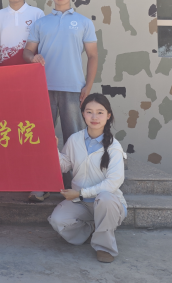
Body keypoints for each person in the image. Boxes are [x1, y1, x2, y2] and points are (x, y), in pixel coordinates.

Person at [23, 0, 98, 203]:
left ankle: (75, 185)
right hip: (43, 88)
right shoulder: (41, 23)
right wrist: (32, 57)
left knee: (74, 138)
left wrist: (88, 85)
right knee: (42, 137)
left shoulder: (84, 22)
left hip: (73, 88)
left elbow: (93, 56)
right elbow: (27, 51)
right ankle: (42, 184)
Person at [48, 93, 127, 263]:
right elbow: (64, 166)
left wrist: (80, 193)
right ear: (83, 114)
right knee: (58, 221)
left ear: (108, 115)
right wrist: (53, 149)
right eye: (89, 112)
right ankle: (93, 228)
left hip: (107, 204)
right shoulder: (75, 139)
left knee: (105, 198)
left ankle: (104, 247)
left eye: (100, 112)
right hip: (81, 203)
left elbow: (114, 182)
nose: (94, 117)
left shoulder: (114, 147)